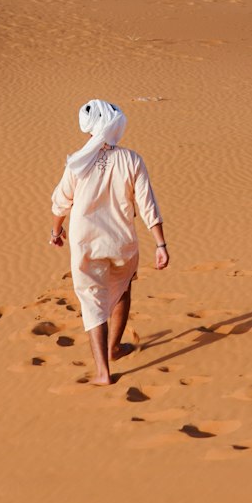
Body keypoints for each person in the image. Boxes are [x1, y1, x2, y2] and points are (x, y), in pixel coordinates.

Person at [49, 98, 168, 386]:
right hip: (122, 242)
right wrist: (160, 244)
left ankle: (103, 371)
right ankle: (115, 347)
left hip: (86, 244)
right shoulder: (132, 159)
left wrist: (56, 232)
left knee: (92, 301)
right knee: (122, 288)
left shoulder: (78, 163)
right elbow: (147, 203)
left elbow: (60, 203)